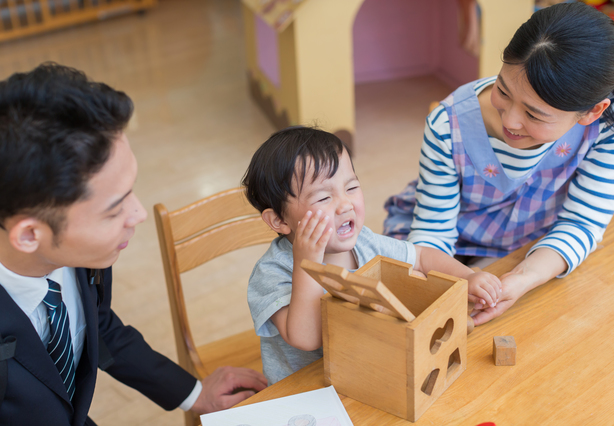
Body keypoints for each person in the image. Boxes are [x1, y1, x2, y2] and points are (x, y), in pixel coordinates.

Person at [0, 63, 267, 425]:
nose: (139, 213)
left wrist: (193, 393)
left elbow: (97, 323)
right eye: (113, 211)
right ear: (29, 235)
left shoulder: (82, 257)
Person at [383, 2, 614, 326]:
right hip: (442, 240)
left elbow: (584, 222)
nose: (511, 121)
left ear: (592, 112)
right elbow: (431, 234)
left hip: (529, 236)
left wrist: (522, 279)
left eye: (534, 114)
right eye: (503, 90)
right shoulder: (448, 125)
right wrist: (461, 276)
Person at [242, 126, 502, 385]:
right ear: (278, 219)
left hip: (366, 370)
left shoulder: (365, 242)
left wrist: (467, 276)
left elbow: (421, 257)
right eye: (323, 198)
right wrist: (307, 264)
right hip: (305, 389)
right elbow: (308, 339)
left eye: (351, 187)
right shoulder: (272, 272)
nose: (345, 204)